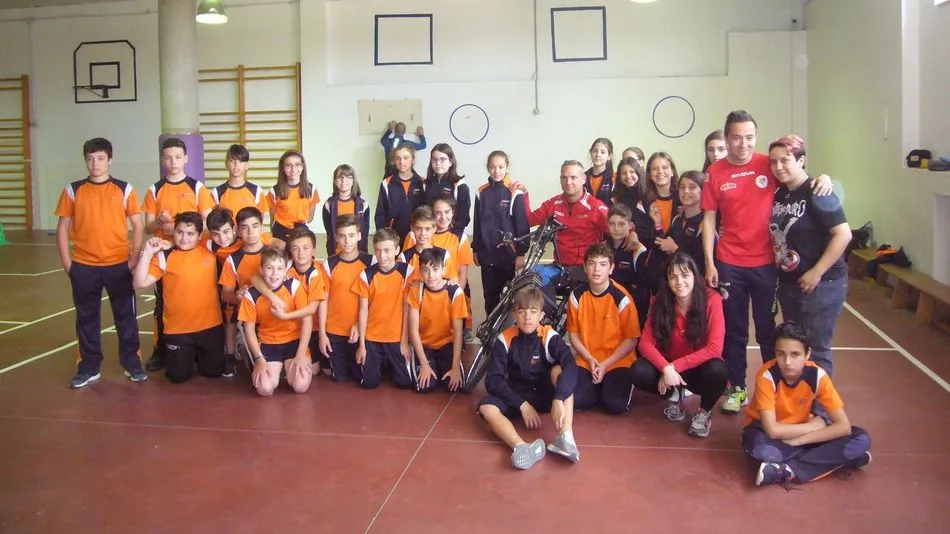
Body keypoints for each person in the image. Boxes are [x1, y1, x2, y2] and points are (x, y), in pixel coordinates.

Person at [701, 110, 834, 415]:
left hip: (765, 265)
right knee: (734, 331)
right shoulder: (716, 173)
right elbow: (709, 220)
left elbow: (798, 177)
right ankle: (737, 388)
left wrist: (824, 178)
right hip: (729, 263)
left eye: (749, 137)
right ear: (727, 138)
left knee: (765, 331)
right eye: (736, 137)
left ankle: (772, 387)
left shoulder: (768, 163)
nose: (743, 143)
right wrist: (709, 263)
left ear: (756, 137)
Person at [56, 137, 146, 388]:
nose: (95, 164)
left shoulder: (124, 189)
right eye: (90, 158)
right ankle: (88, 366)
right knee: (86, 318)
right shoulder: (73, 190)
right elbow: (63, 228)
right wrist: (68, 264)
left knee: (126, 316)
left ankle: (132, 363)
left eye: (100, 158)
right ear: (85, 160)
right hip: (83, 266)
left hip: (118, 264)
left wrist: (134, 258)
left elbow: (138, 225)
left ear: (110, 160)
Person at [742, 321, 871, 488]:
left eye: (795, 354)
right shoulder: (767, 376)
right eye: (781, 354)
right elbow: (773, 430)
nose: (787, 362)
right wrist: (815, 426)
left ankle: (788, 470)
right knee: (765, 452)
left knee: (861, 438)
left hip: (797, 434)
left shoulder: (818, 376)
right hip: (764, 432)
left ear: (807, 354)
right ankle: (836, 459)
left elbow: (843, 426)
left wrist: (799, 441)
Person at [769, 135, 851, 377]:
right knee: (796, 347)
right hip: (790, 285)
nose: (779, 167)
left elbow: (843, 235)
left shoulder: (819, 190)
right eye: (773, 162)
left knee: (816, 350)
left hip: (821, 286)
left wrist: (817, 272)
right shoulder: (780, 194)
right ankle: (800, 402)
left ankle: (820, 411)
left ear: (801, 160)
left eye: (785, 160)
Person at [477, 286, 580, 470]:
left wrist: (559, 398)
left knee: (560, 371)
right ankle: (521, 447)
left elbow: (571, 367)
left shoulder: (549, 336)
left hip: (544, 395)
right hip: (518, 397)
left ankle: (566, 437)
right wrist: (522, 405)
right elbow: (493, 380)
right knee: (486, 407)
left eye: (533, 312)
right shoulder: (505, 339)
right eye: (522, 311)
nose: (527, 317)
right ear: (514, 315)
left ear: (541, 315)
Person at [630, 252, 728, 438]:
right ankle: (674, 395)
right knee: (638, 370)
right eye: (673, 276)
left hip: (696, 369)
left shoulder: (712, 300)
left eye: (685, 275)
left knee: (718, 369)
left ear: (695, 276)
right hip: (670, 368)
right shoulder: (659, 302)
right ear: (667, 280)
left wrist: (673, 367)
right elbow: (645, 344)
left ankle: (703, 412)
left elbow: (715, 348)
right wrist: (665, 367)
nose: (679, 282)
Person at [141, 137, 214, 373]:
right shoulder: (155, 189)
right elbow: (148, 227)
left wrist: (181, 229)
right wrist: (160, 224)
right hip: (166, 255)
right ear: (163, 160)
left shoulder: (197, 188)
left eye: (177, 157)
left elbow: (207, 223)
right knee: (162, 304)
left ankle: (205, 346)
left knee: (204, 298)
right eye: (168, 157)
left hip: (195, 253)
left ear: (186, 158)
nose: (173, 161)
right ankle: (160, 349)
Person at [133, 212, 225, 383]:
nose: (184, 238)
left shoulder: (209, 249)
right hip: (178, 330)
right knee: (178, 377)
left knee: (213, 372)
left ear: (199, 236)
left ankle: (197, 354)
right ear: (173, 232)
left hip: (210, 327)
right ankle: (187, 353)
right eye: (179, 232)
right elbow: (138, 283)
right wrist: (147, 253)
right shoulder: (164, 256)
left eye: (190, 234)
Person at [567, 243, 640, 415]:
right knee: (578, 400)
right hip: (588, 361)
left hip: (616, 361)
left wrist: (606, 364)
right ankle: (598, 385)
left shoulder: (622, 298)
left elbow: (632, 339)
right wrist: (590, 359)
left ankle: (608, 385)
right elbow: (573, 335)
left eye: (602, 264)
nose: (596, 269)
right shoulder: (576, 297)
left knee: (615, 406)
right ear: (585, 267)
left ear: (611, 268)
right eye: (592, 263)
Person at [250, 226, 328, 375]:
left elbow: (312, 309)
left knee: (317, 370)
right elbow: (255, 278)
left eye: (306, 248)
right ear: (290, 251)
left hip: (312, 328)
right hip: (288, 329)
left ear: (313, 250)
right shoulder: (285, 267)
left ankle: (287, 366)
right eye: (296, 248)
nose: (301, 253)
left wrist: (285, 316)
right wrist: (272, 297)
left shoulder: (317, 272)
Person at [240, 247, 314, 396]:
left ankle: (286, 369)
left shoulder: (293, 286)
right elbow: (249, 330)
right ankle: (272, 367)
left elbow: (307, 321)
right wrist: (259, 359)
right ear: (261, 270)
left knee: (300, 386)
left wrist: (300, 354)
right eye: (269, 268)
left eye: (279, 268)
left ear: (286, 269)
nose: (274, 274)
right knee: (265, 389)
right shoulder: (251, 295)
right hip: (268, 343)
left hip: (294, 341)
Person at [523, 160, 610, 282]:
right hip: (559, 266)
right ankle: (549, 302)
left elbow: (617, 230)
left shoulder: (595, 207)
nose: (568, 182)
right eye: (564, 178)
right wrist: (524, 196)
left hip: (585, 268)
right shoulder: (553, 204)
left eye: (573, 177)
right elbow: (529, 220)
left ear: (583, 179)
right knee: (530, 276)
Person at [405, 195, 475, 339]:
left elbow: (462, 273)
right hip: (421, 296)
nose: (443, 217)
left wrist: (455, 298)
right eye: (438, 213)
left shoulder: (458, 237)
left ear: (453, 212)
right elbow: (407, 270)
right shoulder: (419, 235)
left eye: (447, 212)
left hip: (447, 293)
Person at [353, 228, 415, 389]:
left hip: (396, 338)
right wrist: (362, 345)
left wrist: (404, 342)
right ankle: (379, 362)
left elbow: (409, 308)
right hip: (372, 337)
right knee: (369, 383)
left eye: (387, 250)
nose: (382, 256)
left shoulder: (408, 272)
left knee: (404, 383)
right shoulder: (366, 275)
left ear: (397, 250)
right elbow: (363, 310)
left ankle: (389, 362)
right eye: (378, 251)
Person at [319, 214, 376, 382]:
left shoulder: (371, 262)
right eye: (342, 236)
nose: (347, 241)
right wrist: (323, 333)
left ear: (359, 236)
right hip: (335, 331)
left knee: (362, 377)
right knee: (339, 378)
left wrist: (359, 324)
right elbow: (323, 300)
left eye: (351, 235)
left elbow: (375, 300)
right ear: (336, 237)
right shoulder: (329, 264)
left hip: (362, 330)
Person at [472, 150, 528, 316]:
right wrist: (475, 249)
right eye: (493, 167)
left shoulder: (514, 192)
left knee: (508, 298)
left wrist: (521, 253)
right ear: (488, 168)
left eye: (501, 167)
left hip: (507, 257)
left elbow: (522, 226)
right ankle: (491, 334)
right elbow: (477, 224)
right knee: (489, 297)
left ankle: (506, 334)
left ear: (507, 168)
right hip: (487, 256)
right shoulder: (480, 192)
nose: (497, 171)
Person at [218, 207, 272, 376]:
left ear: (262, 227)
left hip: (273, 314)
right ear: (238, 231)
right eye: (244, 227)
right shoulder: (232, 260)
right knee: (257, 368)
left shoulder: (273, 253)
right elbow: (225, 294)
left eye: (255, 226)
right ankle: (238, 347)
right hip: (249, 316)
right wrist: (238, 297)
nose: (251, 232)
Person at [406, 248, 469, 392]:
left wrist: (455, 368)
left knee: (455, 386)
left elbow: (458, 333)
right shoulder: (417, 291)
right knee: (425, 387)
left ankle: (444, 365)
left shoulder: (455, 292)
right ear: (420, 272)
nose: (431, 275)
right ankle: (430, 364)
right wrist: (424, 365)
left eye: (435, 269)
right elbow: (413, 331)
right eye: (426, 270)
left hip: (446, 344)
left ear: (443, 270)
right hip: (424, 345)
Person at [204, 208, 243, 372]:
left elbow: (274, 242)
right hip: (221, 283)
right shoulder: (208, 244)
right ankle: (229, 354)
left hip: (243, 282)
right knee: (228, 317)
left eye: (226, 231)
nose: (222, 238)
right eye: (216, 234)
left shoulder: (245, 239)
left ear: (234, 228)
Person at [653, 170, 706, 276]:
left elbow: (701, 265)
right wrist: (658, 224)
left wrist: (675, 249)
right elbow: (664, 245)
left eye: (692, 187)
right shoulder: (677, 220)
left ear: (703, 191)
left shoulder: (705, 224)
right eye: (682, 187)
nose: (686, 191)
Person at [604, 204, 649, 325]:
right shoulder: (602, 249)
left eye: (621, 224)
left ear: (630, 225)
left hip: (630, 308)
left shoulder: (638, 250)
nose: (616, 228)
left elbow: (643, 290)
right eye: (612, 223)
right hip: (605, 306)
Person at [267, 150, 319, 248]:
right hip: (280, 234)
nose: (293, 169)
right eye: (288, 165)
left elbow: (310, 217)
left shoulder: (311, 190)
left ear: (302, 167)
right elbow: (272, 219)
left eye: (297, 165)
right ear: (283, 168)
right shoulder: (274, 191)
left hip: (301, 232)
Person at [375, 144, 425, 244]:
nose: (402, 162)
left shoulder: (423, 183)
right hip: (393, 236)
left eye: (406, 158)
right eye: (398, 158)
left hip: (417, 236)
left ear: (413, 160)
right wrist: (384, 236)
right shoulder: (386, 183)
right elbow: (380, 214)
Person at [322, 164, 370, 255]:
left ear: (353, 181)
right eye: (340, 177)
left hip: (358, 252)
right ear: (335, 181)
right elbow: (329, 230)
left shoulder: (363, 204)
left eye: (348, 177)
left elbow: (365, 231)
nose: (344, 181)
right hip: (337, 252)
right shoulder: (329, 205)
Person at [423, 143, 471, 231]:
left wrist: (454, 234)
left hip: (451, 235)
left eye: (442, 159)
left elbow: (463, 217)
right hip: (430, 233)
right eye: (434, 159)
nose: (438, 163)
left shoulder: (460, 186)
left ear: (450, 162)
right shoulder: (426, 184)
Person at [210, 144, 269, 216]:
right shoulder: (216, 193)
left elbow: (260, 220)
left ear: (247, 165)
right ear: (226, 164)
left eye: (240, 161)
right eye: (232, 161)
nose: (236, 165)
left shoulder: (256, 191)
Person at [644, 151, 681, 234]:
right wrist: (658, 226)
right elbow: (644, 235)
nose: (660, 171)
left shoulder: (682, 198)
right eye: (654, 169)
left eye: (664, 167)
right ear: (649, 174)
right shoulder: (644, 201)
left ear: (672, 171)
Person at [585, 137, 615, 206]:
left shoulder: (615, 178)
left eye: (603, 152)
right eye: (595, 151)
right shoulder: (583, 177)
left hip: (607, 216)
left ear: (609, 156)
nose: (598, 155)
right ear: (590, 153)